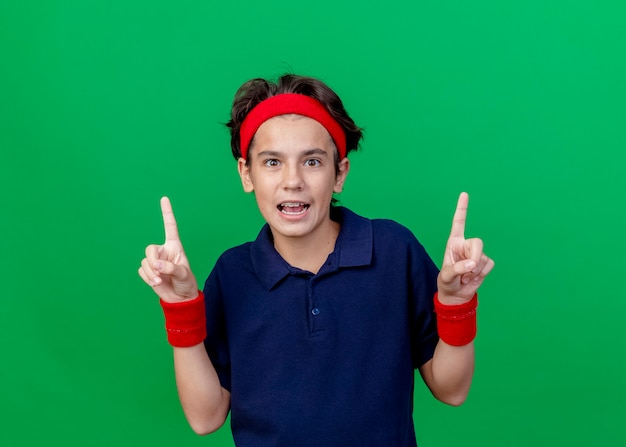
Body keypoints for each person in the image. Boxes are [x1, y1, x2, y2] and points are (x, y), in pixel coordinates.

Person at [138, 74, 494, 446]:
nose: (292, 181)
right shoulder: (232, 275)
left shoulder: (393, 251)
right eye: (272, 162)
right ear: (246, 174)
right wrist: (180, 306)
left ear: (339, 173)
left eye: (312, 162)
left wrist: (456, 303)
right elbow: (204, 416)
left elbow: (451, 390)